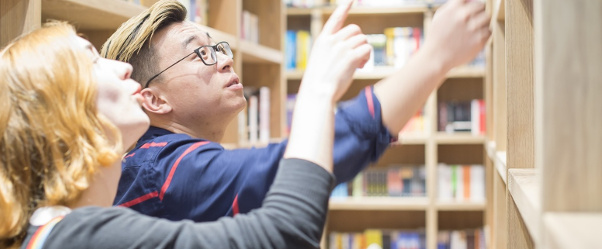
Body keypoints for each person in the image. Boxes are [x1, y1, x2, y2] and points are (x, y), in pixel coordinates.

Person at [0, 7, 363, 247]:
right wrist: (319, 91)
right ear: (60, 113)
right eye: (90, 60)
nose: (122, 68)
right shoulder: (77, 237)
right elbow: (283, 232)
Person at [101, 0, 490, 221]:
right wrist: (436, 58)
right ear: (154, 100)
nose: (223, 61)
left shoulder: (161, 161)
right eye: (199, 53)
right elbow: (292, 170)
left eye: (219, 47)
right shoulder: (160, 171)